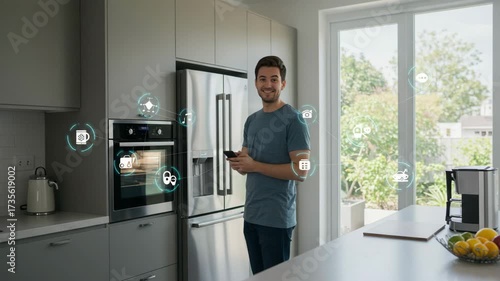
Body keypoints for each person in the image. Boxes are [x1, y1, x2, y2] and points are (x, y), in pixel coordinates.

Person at [228, 55, 311, 274]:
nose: (268, 85)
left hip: (277, 218)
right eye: (262, 79)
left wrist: (254, 165)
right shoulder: (252, 120)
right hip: (252, 215)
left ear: (283, 84)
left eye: (274, 79)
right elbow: (248, 162)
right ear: (255, 83)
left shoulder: (294, 120)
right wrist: (240, 162)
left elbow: (301, 171)